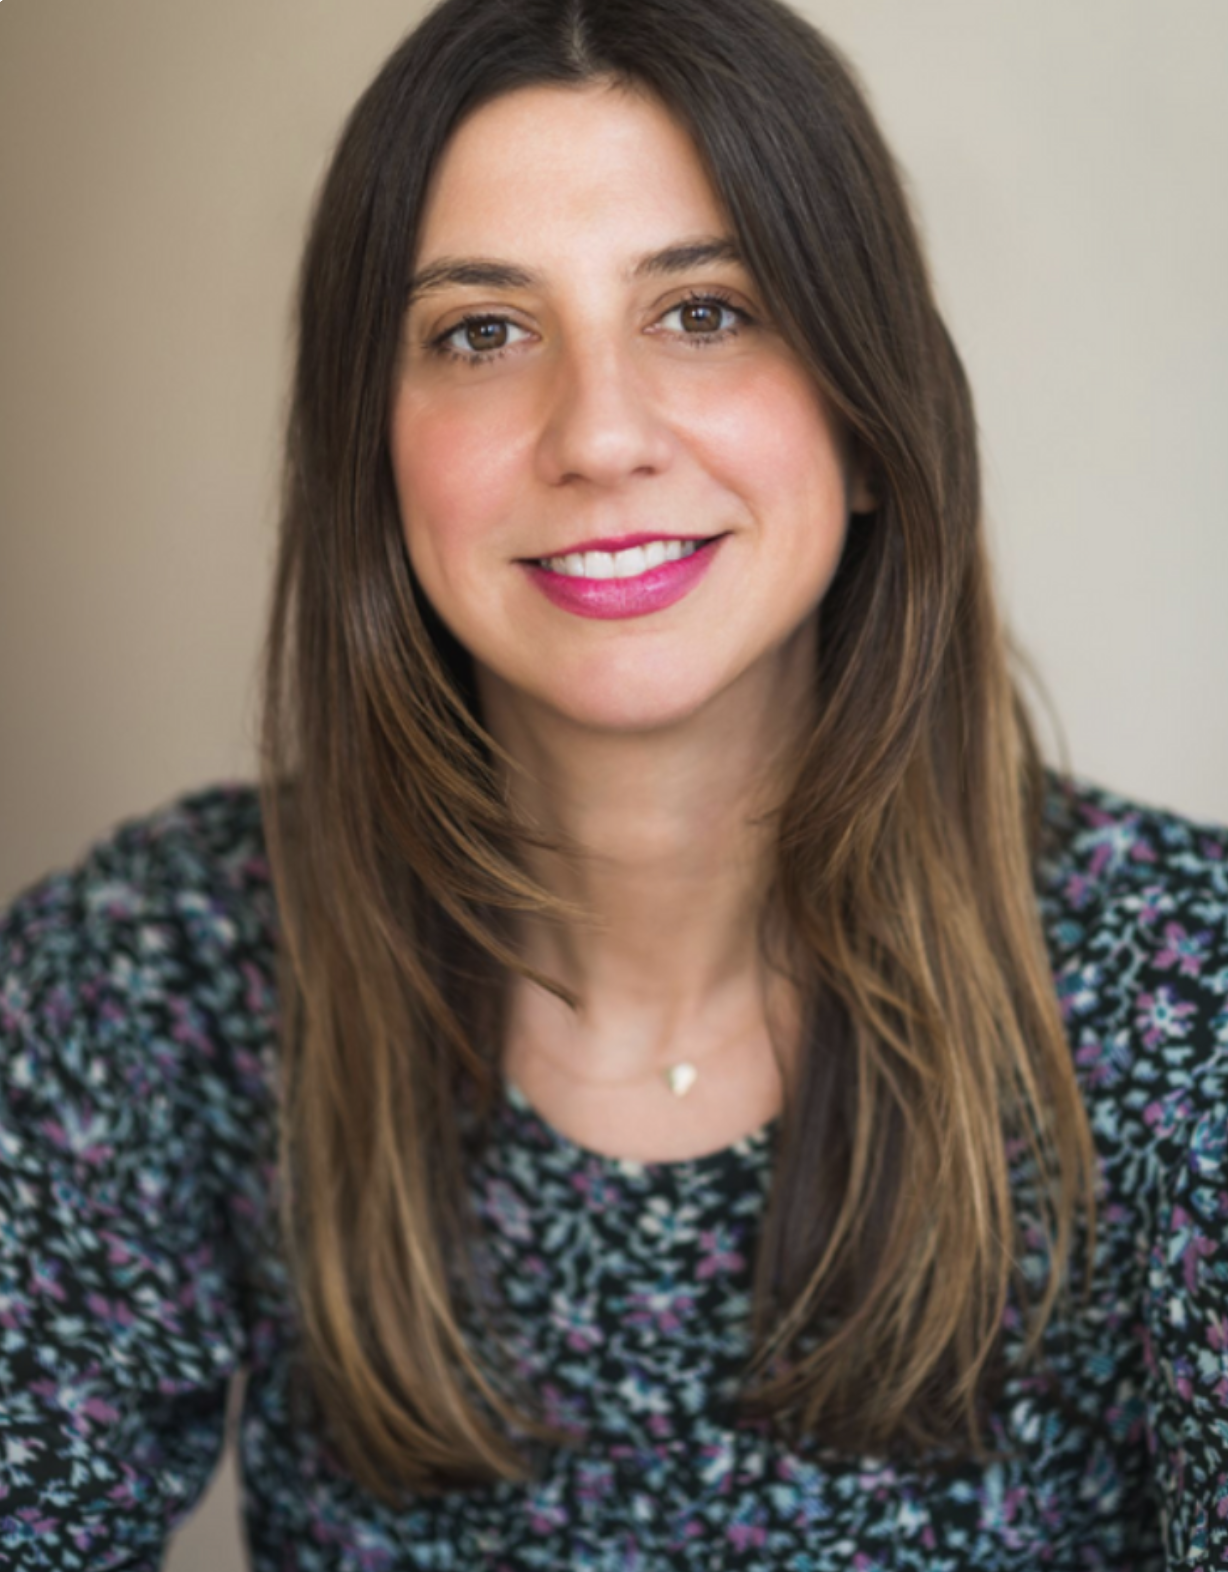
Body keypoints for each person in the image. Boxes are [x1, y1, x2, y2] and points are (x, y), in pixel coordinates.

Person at [1, 0, 1225, 1565]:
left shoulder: (1191, 1004)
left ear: (868, 417)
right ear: (371, 457)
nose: (596, 431)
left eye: (703, 310)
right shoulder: (158, 975)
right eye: (482, 332)